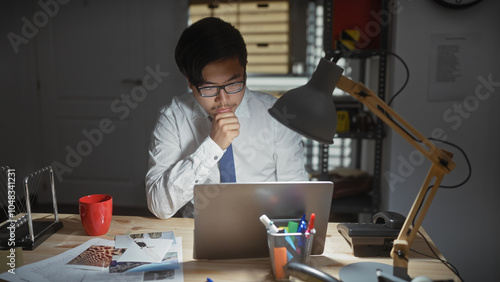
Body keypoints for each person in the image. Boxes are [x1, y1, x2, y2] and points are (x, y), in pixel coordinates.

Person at [145, 17, 308, 219]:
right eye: (209, 87)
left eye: (233, 83)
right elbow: (159, 206)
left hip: (265, 227)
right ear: (190, 82)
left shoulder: (276, 115)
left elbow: (296, 192)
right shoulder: (173, 118)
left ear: (245, 69)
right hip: (199, 228)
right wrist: (213, 146)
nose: (223, 100)